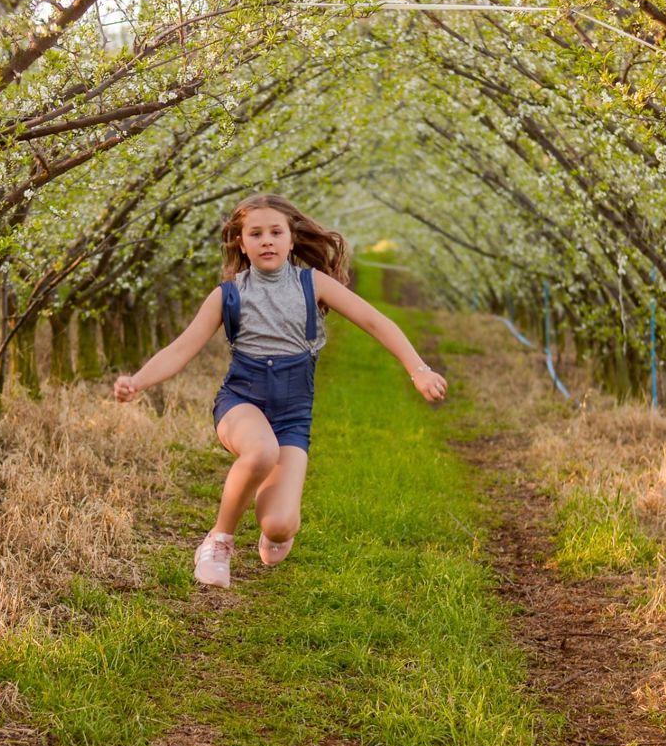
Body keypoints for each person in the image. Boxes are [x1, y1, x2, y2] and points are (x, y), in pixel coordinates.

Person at [112, 193, 448, 587]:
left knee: (280, 525)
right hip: (241, 402)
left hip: (291, 416)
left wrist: (418, 369)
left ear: (292, 239)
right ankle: (218, 541)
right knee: (260, 450)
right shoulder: (228, 294)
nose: (266, 240)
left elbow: (375, 322)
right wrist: (139, 380)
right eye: (255, 233)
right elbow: (183, 348)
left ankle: (274, 528)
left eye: (276, 232)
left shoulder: (312, 284)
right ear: (241, 242)